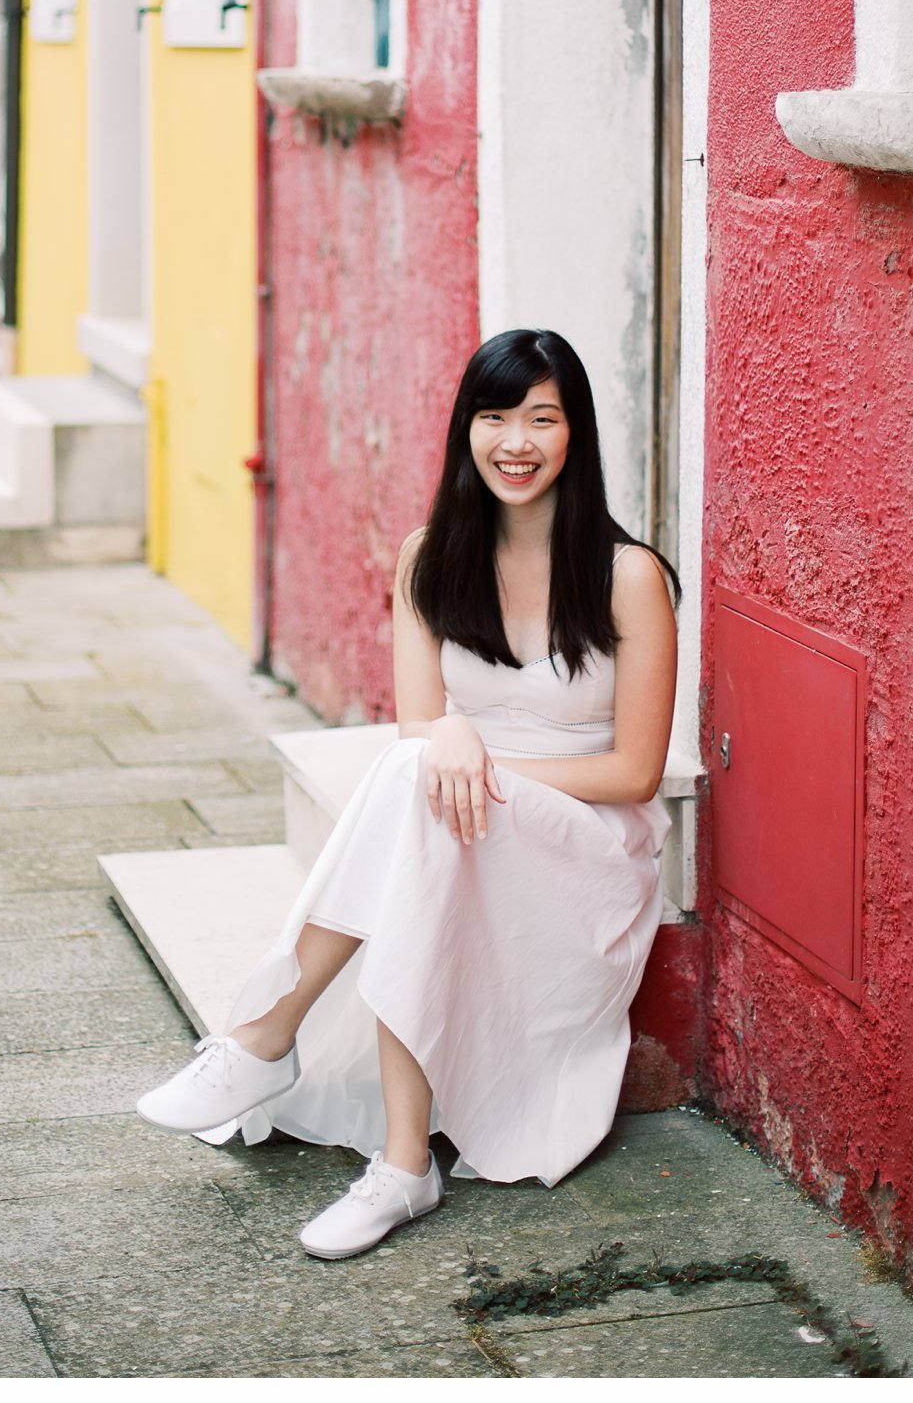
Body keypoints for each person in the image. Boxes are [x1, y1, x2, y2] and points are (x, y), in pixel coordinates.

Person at [136, 327, 680, 1260]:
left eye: (542, 418)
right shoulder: (428, 560)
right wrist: (455, 743)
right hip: (459, 819)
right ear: (465, 429)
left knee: (421, 791)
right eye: (495, 415)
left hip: (585, 849)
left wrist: (479, 764)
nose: (517, 440)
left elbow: (634, 772)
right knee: (422, 795)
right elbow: (421, 735)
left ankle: (271, 1039)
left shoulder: (628, 577)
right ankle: (397, 1160)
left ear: (576, 434)